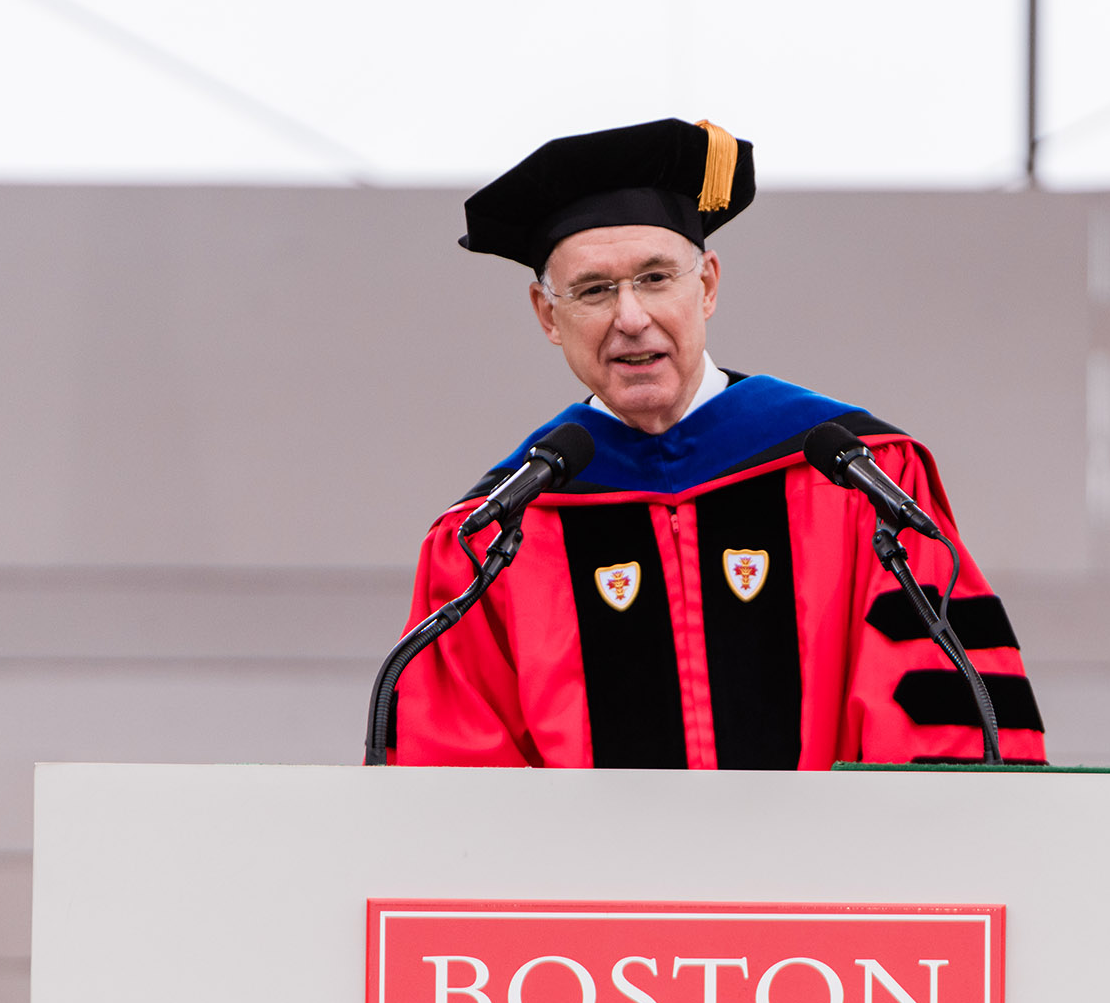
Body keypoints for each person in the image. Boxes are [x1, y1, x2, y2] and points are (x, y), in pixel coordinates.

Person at [389, 118, 1046, 769]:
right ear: (546, 315)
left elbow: (942, 739)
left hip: (821, 871)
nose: (631, 317)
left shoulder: (855, 478)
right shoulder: (491, 538)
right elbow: (451, 789)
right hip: (591, 879)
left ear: (705, 285)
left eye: (655, 278)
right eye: (594, 290)